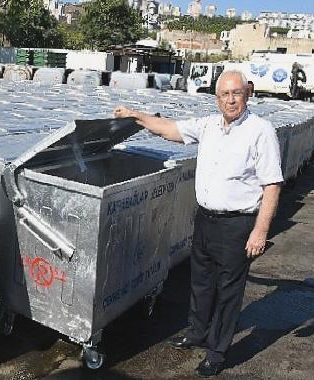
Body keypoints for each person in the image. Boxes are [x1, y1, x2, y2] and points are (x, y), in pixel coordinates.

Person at [114, 70, 283, 377]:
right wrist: (135, 115)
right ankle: (196, 332)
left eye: (236, 93)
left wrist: (260, 230)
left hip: (237, 224)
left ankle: (217, 352)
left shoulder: (261, 130)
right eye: (224, 95)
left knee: (228, 289)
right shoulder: (209, 126)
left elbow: (272, 185)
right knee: (201, 281)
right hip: (205, 219)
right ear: (216, 98)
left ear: (247, 94)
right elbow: (169, 129)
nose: (230, 100)